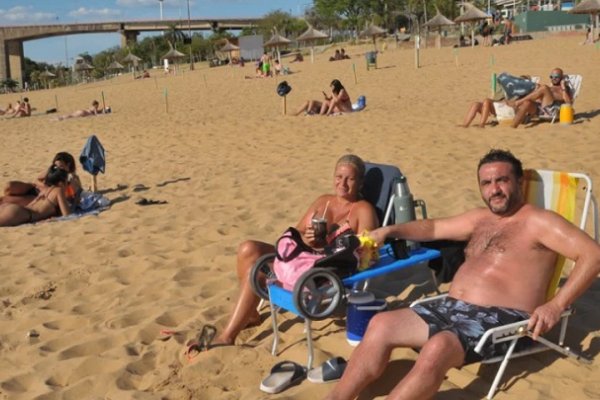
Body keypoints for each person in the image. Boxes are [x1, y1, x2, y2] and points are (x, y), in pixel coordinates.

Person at [325, 149, 600, 400]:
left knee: (439, 346)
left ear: (519, 182)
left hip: (504, 319)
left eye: (502, 180)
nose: (495, 190)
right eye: (486, 183)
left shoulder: (540, 221)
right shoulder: (480, 219)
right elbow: (433, 228)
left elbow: (592, 255)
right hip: (451, 308)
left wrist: (556, 305)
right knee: (381, 324)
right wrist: (389, 231)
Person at [209, 154, 379, 348]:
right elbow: (296, 232)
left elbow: (368, 251)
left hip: (321, 268)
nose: (343, 183)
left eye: (350, 178)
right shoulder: (324, 201)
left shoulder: (362, 210)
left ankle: (227, 337)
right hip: (301, 256)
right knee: (248, 249)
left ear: (360, 182)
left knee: (255, 272)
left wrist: (332, 247)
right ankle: (252, 314)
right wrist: (307, 237)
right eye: (338, 177)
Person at [2, 152, 82, 209]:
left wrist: (49, 192)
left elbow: (70, 198)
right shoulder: (52, 171)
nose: (56, 168)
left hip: (41, 197)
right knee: (8, 186)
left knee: (6, 201)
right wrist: (45, 188)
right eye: (55, 165)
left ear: (68, 165)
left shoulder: (72, 180)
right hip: (34, 188)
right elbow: (36, 180)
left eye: (60, 166)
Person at [0, 165, 71, 227]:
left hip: (15, 208)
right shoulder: (58, 190)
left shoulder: (43, 190)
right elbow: (67, 215)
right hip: (21, 213)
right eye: (67, 182)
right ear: (61, 183)